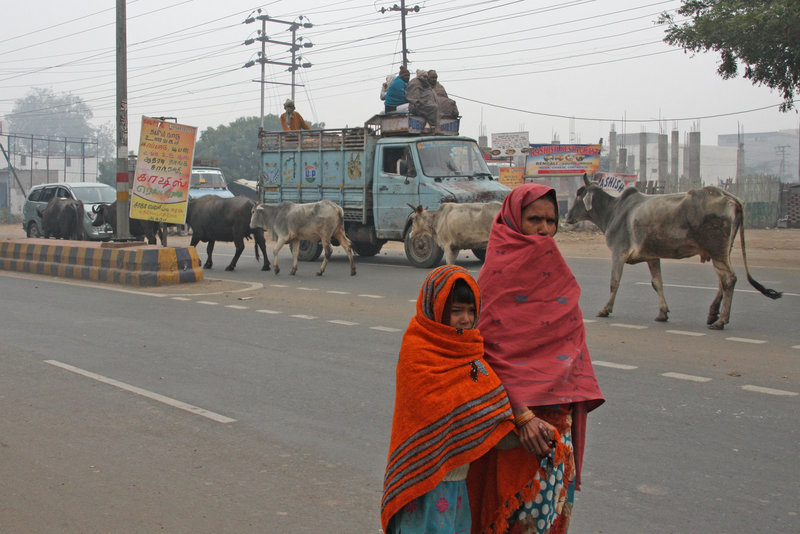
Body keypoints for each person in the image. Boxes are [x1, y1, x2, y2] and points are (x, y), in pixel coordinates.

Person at [467, 184, 605, 534]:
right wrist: (523, 416)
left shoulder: (557, 276)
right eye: (534, 220)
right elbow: (482, 360)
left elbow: (572, 351)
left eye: (551, 221)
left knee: (550, 521)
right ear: (513, 220)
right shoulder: (494, 280)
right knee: (509, 521)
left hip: (556, 432)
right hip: (513, 430)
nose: (544, 229)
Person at [381, 265, 517, 534]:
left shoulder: (472, 356)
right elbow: (427, 410)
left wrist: (523, 428)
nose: (465, 320)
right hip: (421, 484)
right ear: (437, 308)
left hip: (457, 485)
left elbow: (486, 404)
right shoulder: (418, 351)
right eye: (456, 312)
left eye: (471, 311)